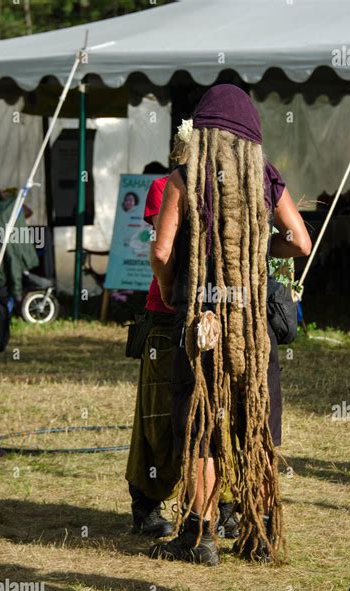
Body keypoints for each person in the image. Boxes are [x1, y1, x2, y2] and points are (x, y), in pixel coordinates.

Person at [149, 84, 311, 566]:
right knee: (253, 422)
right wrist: (258, 253)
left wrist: (173, 281)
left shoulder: (184, 177)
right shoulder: (264, 178)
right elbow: (300, 242)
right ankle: (257, 535)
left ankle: (199, 539)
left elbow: (160, 251)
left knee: (201, 425)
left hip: (201, 320)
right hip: (251, 325)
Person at [125, 146, 240, 539]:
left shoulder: (235, 189)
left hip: (216, 318)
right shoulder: (166, 185)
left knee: (218, 416)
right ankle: (147, 503)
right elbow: (163, 251)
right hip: (167, 317)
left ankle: (219, 507)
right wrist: (172, 292)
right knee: (160, 416)